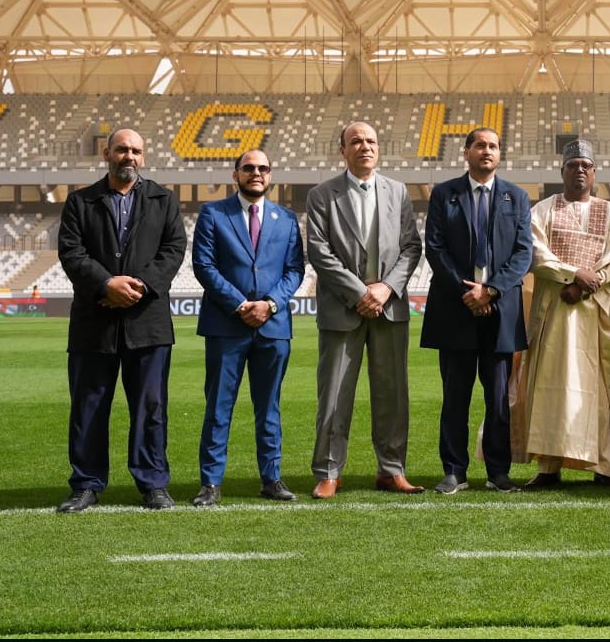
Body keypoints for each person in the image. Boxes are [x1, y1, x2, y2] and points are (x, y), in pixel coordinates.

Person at [55, 128, 186, 512]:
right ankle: (86, 484)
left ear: (143, 157)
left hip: (148, 323)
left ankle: (153, 483)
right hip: (93, 323)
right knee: (88, 408)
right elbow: (71, 252)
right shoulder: (80, 201)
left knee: (150, 409)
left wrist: (140, 285)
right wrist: (106, 284)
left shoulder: (163, 199)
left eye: (136, 151)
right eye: (122, 149)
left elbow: (173, 249)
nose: (129, 156)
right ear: (107, 154)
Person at [513, 140, 610, 489]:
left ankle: (605, 465)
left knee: (599, 388)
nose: (580, 171)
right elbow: (535, 253)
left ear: (594, 172)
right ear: (563, 172)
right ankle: (548, 466)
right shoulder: (542, 210)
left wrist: (586, 284)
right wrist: (572, 275)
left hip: (597, 314)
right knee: (550, 387)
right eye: (573, 165)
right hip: (553, 313)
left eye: (586, 165)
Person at [307, 121, 425, 498]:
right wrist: (360, 292)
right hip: (343, 309)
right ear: (342, 150)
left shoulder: (398, 191)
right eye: (356, 141)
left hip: (389, 309)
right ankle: (329, 471)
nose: (365, 147)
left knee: (392, 395)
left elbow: (411, 247)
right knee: (334, 395)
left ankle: (392, 470)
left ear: (379, 148)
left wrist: (385, 289)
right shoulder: (322, 194)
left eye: (371, 141)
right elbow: (319, 251)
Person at [422, 127, 532, 494]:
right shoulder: (444, 194)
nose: (487, 151)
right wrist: (467, 291)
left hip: (500, 313)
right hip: (456, 309)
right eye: (480, 145)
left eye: (493, 146)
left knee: (499, 399)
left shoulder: (517, 197)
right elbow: (435, 248)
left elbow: (523, 253)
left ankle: (498, 472)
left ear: (500, 154)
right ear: (466, 152)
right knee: (455, 396)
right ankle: (454, 471)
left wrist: (491, 291)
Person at [191, 149, 305, 506]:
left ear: (270, 175)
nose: (257, 173)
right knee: (218, 407)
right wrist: (240, 305)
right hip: (226, 325)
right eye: (249, 168)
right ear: (235, 174)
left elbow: (295, 270)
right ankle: (211, 483)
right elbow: (204, 266)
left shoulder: (286, 219)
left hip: (273, 327)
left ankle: (271, 478)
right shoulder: (213, 213)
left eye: (263, 168)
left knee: (269, 407)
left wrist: (269, 304)